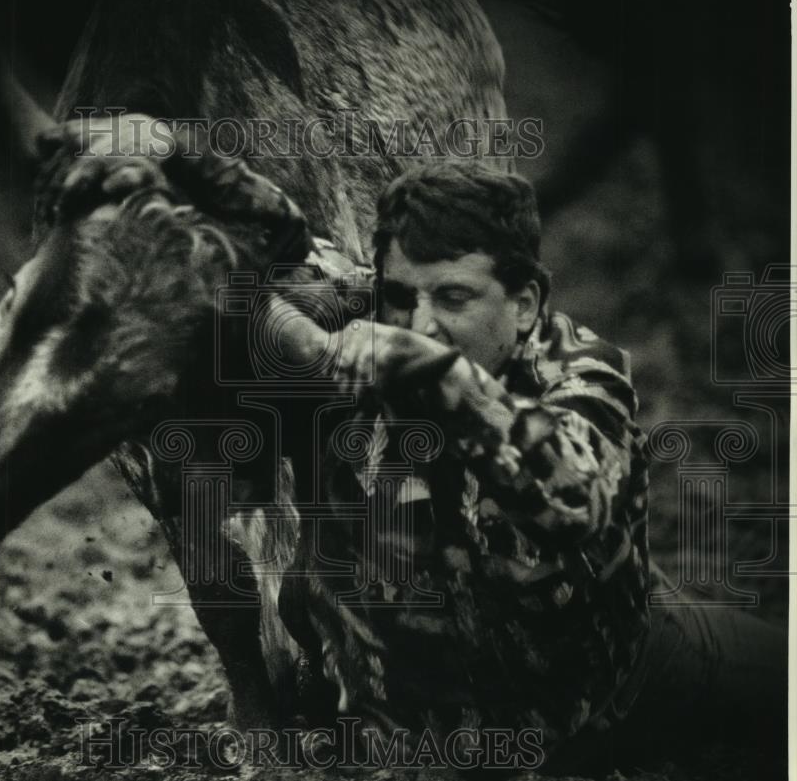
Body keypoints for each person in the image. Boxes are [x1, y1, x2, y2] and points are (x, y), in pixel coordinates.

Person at [276, 161, 786, 772]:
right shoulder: (365, 317)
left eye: (454, 298)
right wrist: (171, 154)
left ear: (523, 305)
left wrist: (441, 379)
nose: (420, 325)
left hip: (621, 683)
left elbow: (572, 502)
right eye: (401, 297)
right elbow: (254, 247)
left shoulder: (580, 374)